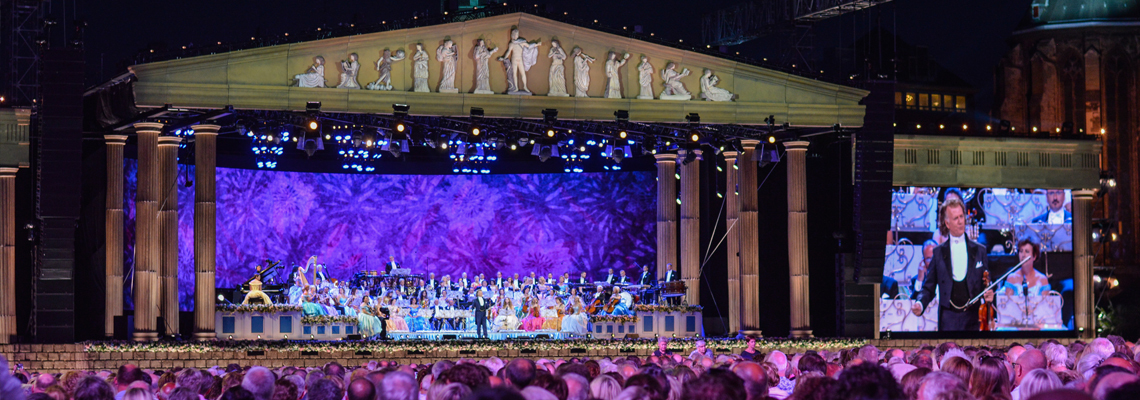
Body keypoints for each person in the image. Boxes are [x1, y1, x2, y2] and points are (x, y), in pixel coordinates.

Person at [911, 197, 994, 331]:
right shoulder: (938, 253)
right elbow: (929, 288)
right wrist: (920, 303)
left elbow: (987, 283)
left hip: (973, 318)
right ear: (947, 223)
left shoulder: (980, 251)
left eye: (961, 216)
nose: (960, 221)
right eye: (955, 218)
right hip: (947, 319)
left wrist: (989, 293)